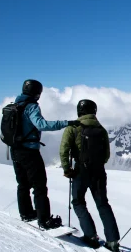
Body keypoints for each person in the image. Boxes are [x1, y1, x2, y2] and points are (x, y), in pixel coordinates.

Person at [11, 79, 80, 229]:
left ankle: (26, 213)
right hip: (29, 151)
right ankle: (44, 220)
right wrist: (66, 123)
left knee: (23, 184)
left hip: (15, 150)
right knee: (40, 185)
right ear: (37, 93)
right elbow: (41, 124)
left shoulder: (14, 106)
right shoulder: (31, 107)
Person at [59, 99, 121, 252]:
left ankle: (90, 236)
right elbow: (106, 155)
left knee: (78, 201)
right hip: (99, 171)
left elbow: (64, 150)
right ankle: (113, 242)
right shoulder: (101, 129)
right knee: (103, 204)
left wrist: (67, 169)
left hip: (81, 170)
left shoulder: (73, 127)